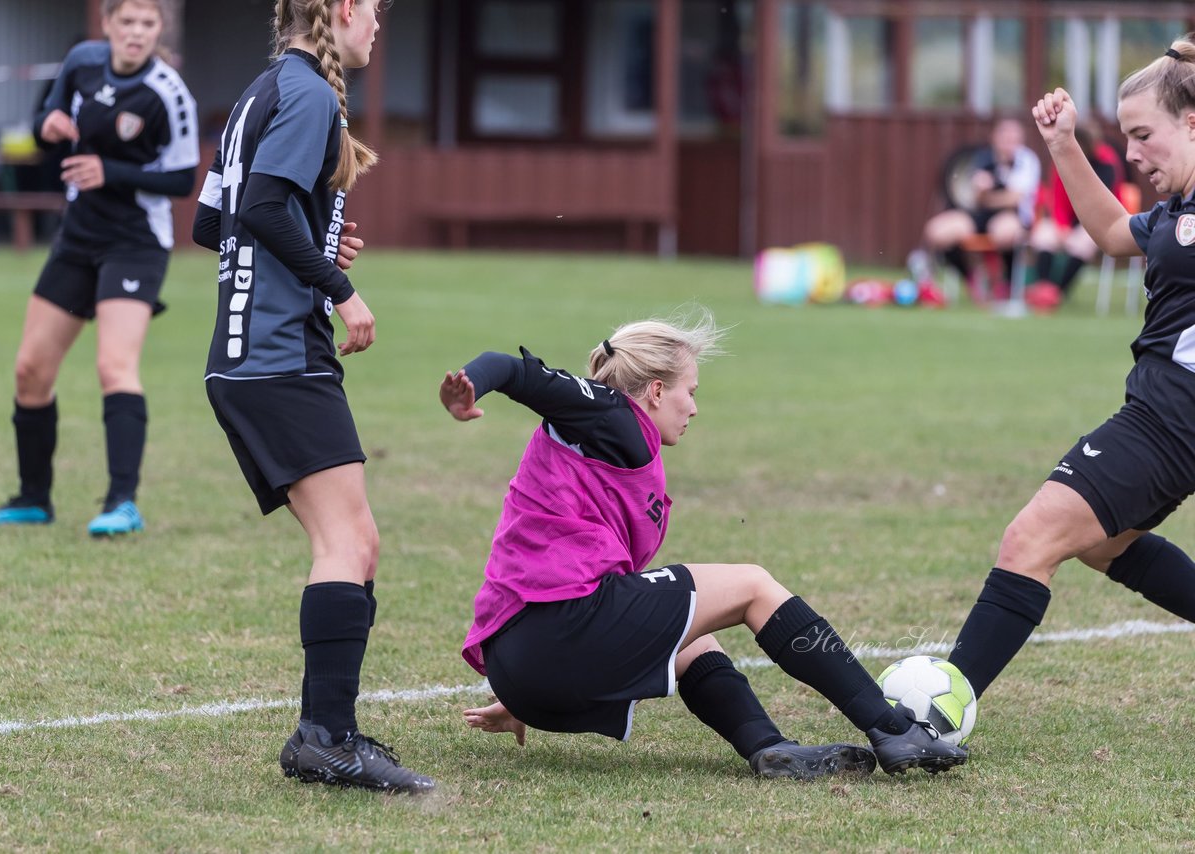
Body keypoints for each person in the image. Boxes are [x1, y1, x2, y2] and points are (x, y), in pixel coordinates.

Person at [441, 312, 968, 779]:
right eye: (689, 391)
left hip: (520, 662)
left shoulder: (608, 439)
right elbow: (506, 366)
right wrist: (470, 389)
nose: (693, 407)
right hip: (554, 636)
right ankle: (895, 729)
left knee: (690, 634)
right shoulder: (610, 414)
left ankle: (769, 749)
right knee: (752, 586)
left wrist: (525, 693)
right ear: (654, 391)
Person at [191, 0, 434, 794]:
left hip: (248, 358)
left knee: (356, 543)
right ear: (338, 10)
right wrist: (339, 284)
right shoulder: (309, 94)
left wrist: (318, 236)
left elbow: (212, 224)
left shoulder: (263, 90)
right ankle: (323, 739)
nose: (377, 27)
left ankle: (332, 730)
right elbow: (260, 207)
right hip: (277, 358)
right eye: (373, 12)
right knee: (349, 545)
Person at [947, 41, 1195, 713]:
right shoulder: (1176, 213)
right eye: (1125, 137)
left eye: (1144, 135)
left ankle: (936, 709)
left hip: (1170, 422)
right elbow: (1114, 232)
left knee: (1033, 538)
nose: (1135, 153)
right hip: (1165, 414)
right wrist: (1062, 144)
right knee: (1105, 544)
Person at [0, 0, 199, 536]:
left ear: (158, 29)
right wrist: (46, 126)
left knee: (114, 366)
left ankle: (122, 504)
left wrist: (110, 170)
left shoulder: (169, 93)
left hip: (135, 241)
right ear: (108, 24)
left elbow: (184, 179)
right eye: (128, 22)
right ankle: (32, 498)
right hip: (79, 233)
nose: (137, 33)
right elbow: (45, 120)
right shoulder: (81, 63)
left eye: (148, 24)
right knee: (31, 369)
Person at [918, 118, 1042, 296]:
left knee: (1004, 233)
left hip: (1010, 216)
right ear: (994, 138)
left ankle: (1002, 281)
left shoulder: (1026, 160)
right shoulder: (982, 158)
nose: (1008, 144)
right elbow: (970, 198)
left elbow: (1013, 199)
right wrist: (980, 193)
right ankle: (970, 275)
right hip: (978, 215)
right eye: (1004, 138)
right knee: (936, 231)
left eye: (1013, 139)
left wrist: (987, 198)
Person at [1027, 118, 1126, 303]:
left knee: (1082, 244)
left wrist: (1084, 228)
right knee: (1043, 236)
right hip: (1069, 219)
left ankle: (1058, 293)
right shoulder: (1062, 160)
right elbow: (1056, 198)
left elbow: (1104, 204)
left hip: (1100, 221)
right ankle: (1043, 288)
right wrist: (1062, 226)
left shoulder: (1107, 163)